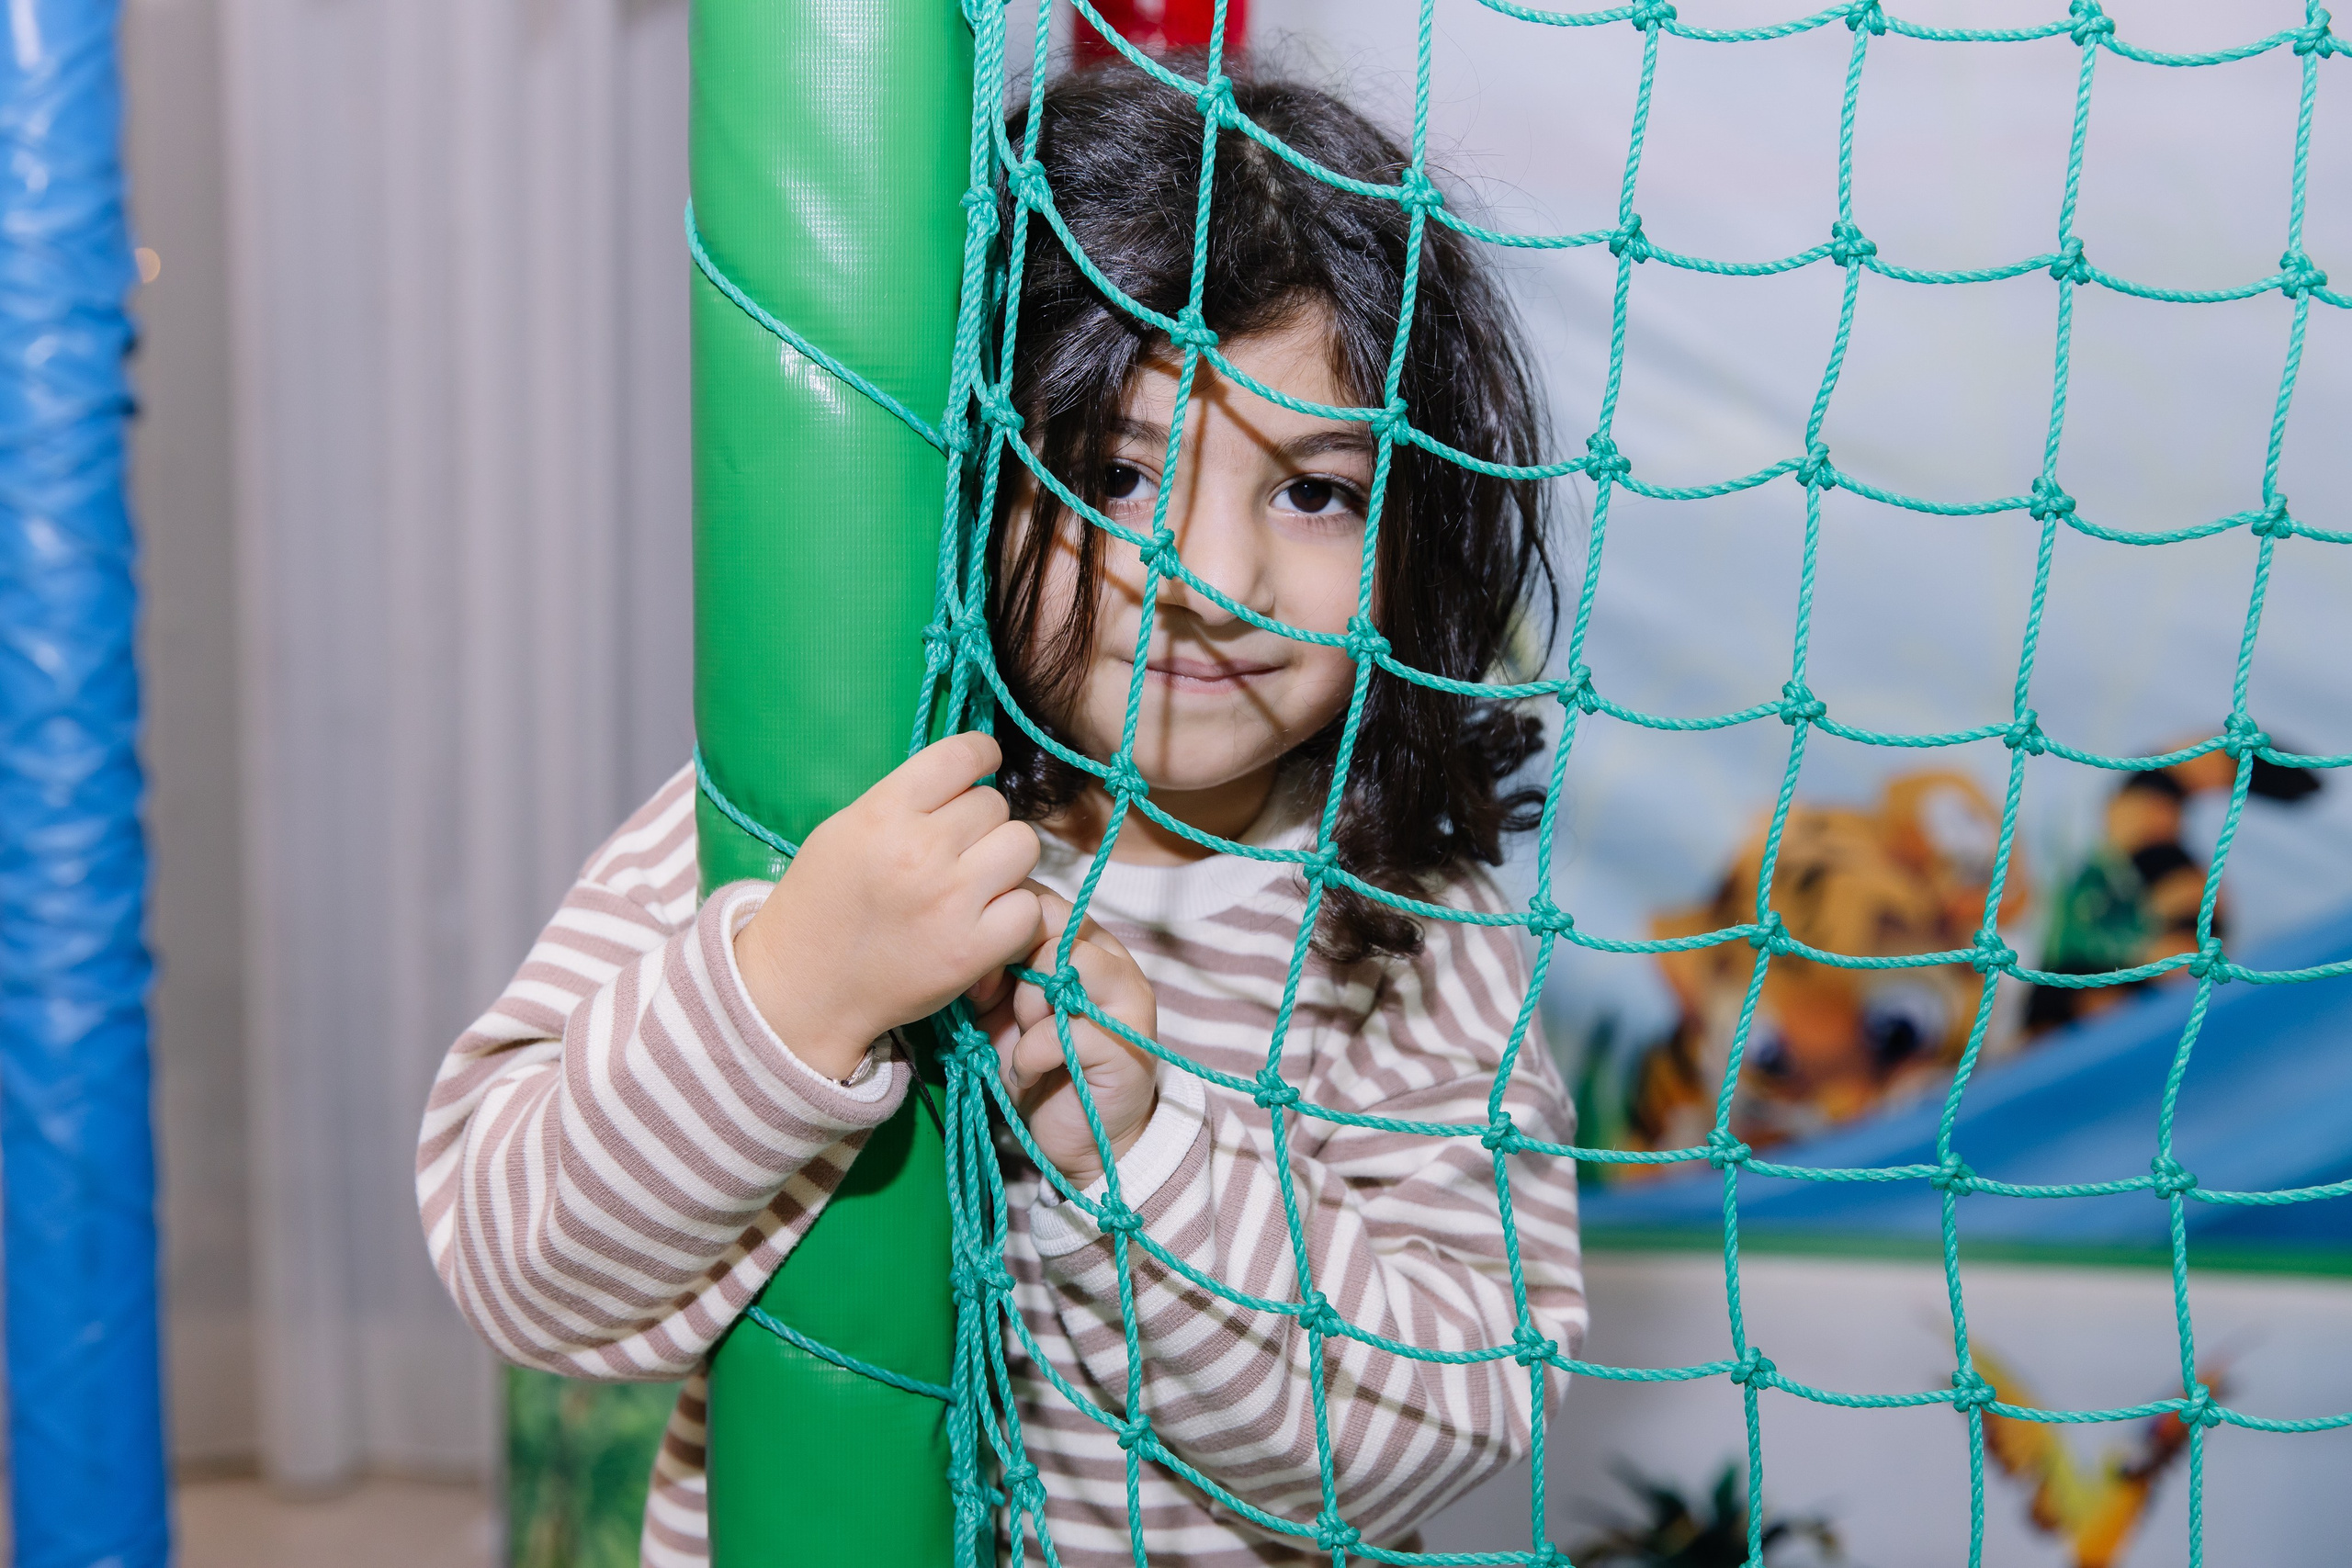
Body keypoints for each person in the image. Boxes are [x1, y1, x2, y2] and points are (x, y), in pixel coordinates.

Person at [417, 58, 1585, 1568]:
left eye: (1314, 492)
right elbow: (528, 1281)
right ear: (975, 471)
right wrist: (792, 995)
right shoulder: (820, 825)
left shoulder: (1412, 927)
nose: (1211, 579)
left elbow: (1456, 1424)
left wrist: (1146, 1162)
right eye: (1112, 470)